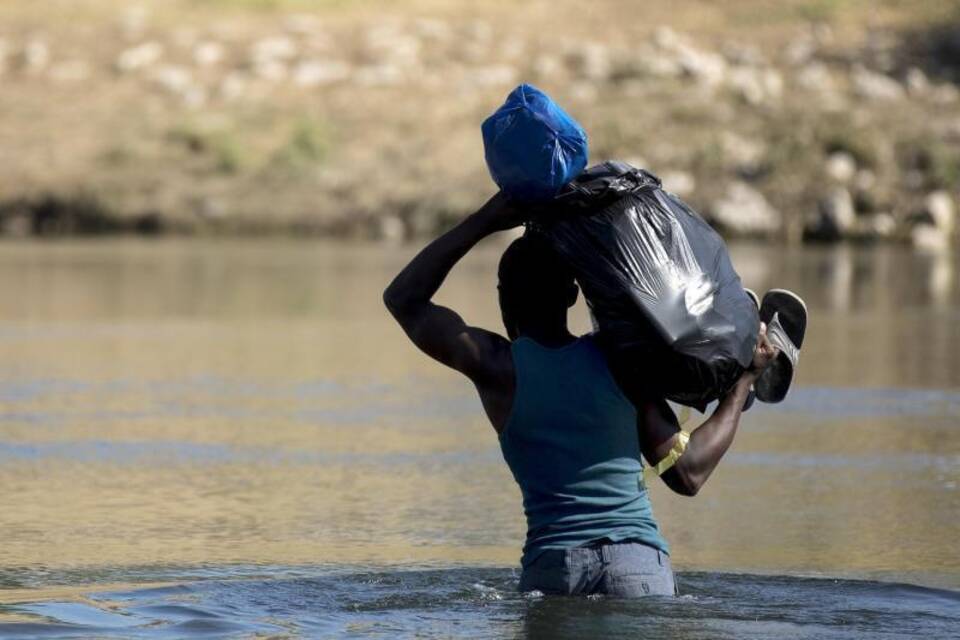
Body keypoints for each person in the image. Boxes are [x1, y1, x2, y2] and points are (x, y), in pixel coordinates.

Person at [383, 192, 779, 597]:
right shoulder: (619, 359)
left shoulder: (498, 367)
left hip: (554, 569)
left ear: (502, 296)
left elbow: (403, 300)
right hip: (637, 568)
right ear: (574, 295)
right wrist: (741, 385)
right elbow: (688, 472)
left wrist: (486, 219)